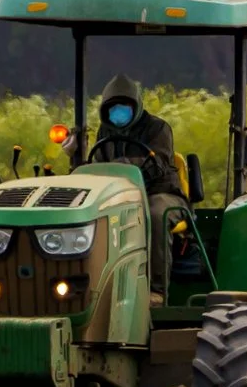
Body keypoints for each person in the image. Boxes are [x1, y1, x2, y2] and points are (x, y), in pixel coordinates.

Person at [88, 75, 208, 292]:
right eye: (113, 108)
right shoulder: (104, 132)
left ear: (135, 105)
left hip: (160, 192)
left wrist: (121, 165)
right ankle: (98, 288)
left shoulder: (158, 129)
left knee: (155, 215)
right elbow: (98, 164)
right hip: (118, 196)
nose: (119, 112)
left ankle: (156, 290)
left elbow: (158, 163)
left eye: (124, 107)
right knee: (95, 218)